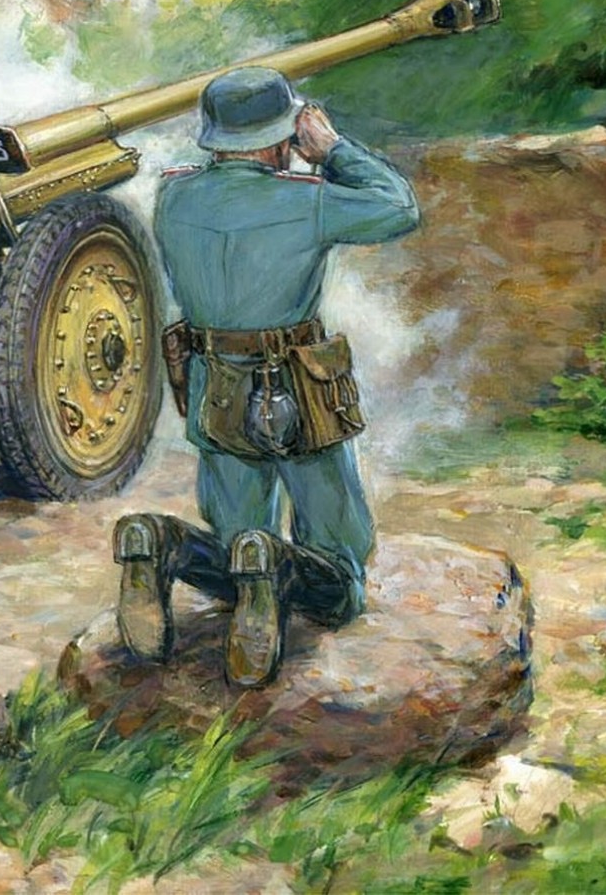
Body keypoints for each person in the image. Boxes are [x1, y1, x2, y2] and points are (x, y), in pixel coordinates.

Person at [116, 67, 419, 688]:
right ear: (282, 136)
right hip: (301, 391)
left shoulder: (176, 198)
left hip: (215, 389)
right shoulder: (305, 201)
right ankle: (275, 565)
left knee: (236, 556)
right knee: (342, 574)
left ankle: (161, 543)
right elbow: (399, 207)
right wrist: (333, 151)